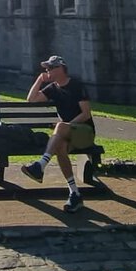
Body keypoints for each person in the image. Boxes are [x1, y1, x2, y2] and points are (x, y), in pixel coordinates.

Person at [20, 55, 95, 213]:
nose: (47, 71)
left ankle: (40, 165)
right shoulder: (53, 88)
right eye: (46, 69)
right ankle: (74, 193)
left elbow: (86, 114)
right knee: (60, 147)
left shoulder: (76, 85)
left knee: (60, 126)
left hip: (85, 132)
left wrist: (67, 126)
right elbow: (31, 99)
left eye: (50, 68)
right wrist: (39, 80)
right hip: (67, 134)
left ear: (60, 69)